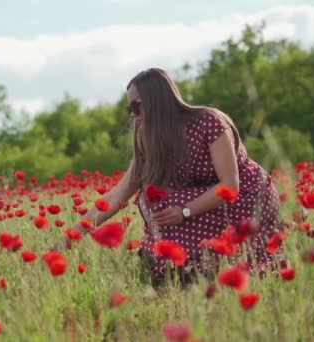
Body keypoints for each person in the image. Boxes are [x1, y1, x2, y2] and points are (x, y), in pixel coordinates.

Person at [54, 67, 286, 287]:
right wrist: (69, 238)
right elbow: (118, 194)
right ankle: (178, 274)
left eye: (136, 107)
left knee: (168, 203)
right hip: (203, 199)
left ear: (157, 101)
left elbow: (230, 185)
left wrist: (184, 211)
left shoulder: (210, 122)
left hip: (246, 199)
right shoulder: (151, 138)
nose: (133, 116)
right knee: (154, 199)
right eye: (129, 110)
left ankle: (192, 272)